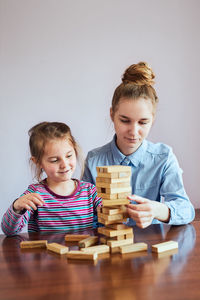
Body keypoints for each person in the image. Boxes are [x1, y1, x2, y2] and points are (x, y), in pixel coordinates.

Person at [83, 62, 195, 228]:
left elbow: (186, 210)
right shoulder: (94, 160)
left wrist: (157, 210)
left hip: (149, 245)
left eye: (143, 122)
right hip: (108, 245)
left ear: (153, 120)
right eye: (125, 120)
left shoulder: (163, 157)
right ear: (112, 114)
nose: (133, 131)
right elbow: (83, 213)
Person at [1, 122, 102, 236]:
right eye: (54, 160)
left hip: (83, 253)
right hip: (46, 253)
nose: (64, 165)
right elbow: (9, 231)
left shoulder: (90, 191)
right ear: (38, 162)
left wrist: (123, 208)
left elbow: (113, 214)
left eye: (69, 156)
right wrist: (16, 207)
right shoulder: (35, 194)